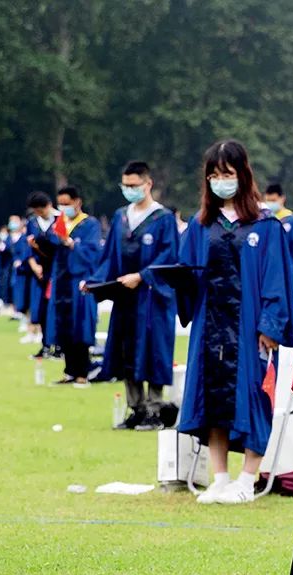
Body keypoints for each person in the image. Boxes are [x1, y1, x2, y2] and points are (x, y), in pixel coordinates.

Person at [175, 140, 293, 505]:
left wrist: (270, 326)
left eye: (227, 174)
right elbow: (186, 272)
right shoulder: (201, 226)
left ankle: (247, 478)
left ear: (242, 175)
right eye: (213, 175)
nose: (220, 181)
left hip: (250, 331)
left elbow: (277, 279)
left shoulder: (265, 226)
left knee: (254, 398)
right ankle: (221, 478)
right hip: (210, 329)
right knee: (211, 400)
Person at [90, 161, 179, 428]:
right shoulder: (121, 216)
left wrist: (142, 276)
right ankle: (136, 409)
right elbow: (109, 258)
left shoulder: (162, 219)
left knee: (153, 352)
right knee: (126, 352)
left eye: (134, 186)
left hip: (153, 299)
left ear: (147, 184)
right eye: (125, 186)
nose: (129, 190)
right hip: (125, 299)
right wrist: (95, 282)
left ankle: (154, 409)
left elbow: (170, 258)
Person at [48, 187, 101, 385]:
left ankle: (83, 372)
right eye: (60, 204)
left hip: (79, 281)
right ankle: (69, 371)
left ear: (77, 202)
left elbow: (93, 252)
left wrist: (72, 244)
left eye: (67, 204)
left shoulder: (89, 224)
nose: (63, 208)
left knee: (81, 326)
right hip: (61, 281)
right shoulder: (59, 223)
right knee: (63, 326)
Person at [24, 192, 59, 360]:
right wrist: (34, 265)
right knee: (42, 309)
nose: (39, 214)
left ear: (49, 205)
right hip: (40, 272)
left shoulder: (60, 220)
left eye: (41, 211)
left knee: (57, 309)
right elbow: (28, 249)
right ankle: (45, 344)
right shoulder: (32, 223)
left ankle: (59, 346)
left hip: (58, 271)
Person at [263, 183, 293, 290]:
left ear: (282, 199)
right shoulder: (265, 221)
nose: (270, 203)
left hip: (289, 271)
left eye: (273, 200)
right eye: (268, 200)